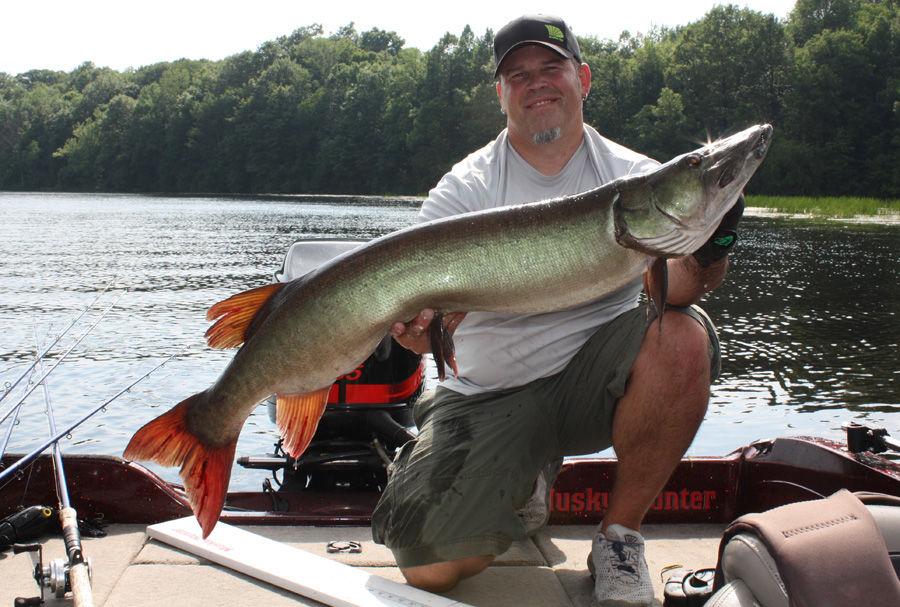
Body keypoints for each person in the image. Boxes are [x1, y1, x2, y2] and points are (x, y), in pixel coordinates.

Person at [371, 14, 743, 607]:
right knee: (433, 568)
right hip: (488, 394)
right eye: (517, 74)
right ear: (501, 95)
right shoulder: (465, 189)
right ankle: (518, 477)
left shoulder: (636, 178)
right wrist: (417, 332)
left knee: (684, 336)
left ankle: (619, 539)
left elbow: (676, 289)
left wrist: (715, 240)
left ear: (583, 79)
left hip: (592, 385)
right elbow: (419, 336)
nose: (536, 83)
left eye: (551, 68)